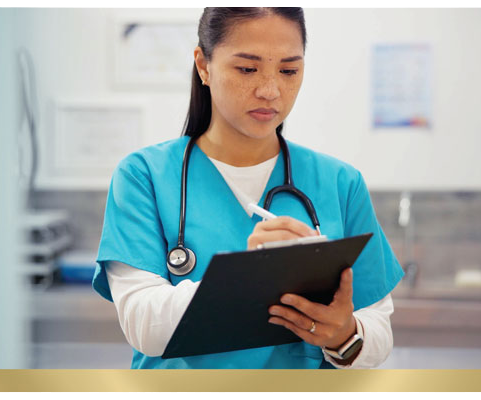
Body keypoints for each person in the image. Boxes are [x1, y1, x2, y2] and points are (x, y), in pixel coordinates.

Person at [92, 7, 404, 369]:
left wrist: (344, 336)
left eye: (289, 70)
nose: (270, 90)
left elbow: (377, 331)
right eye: (247, 69)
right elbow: (142, 325)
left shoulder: (339, 183)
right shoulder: (144, 176)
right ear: (204, 66)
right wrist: (255, 276)